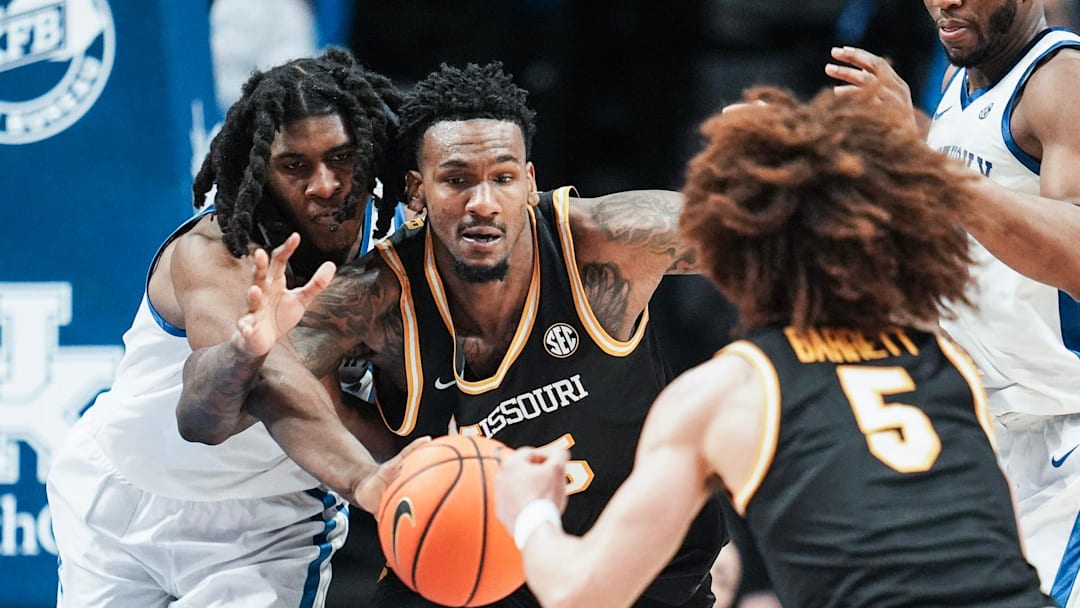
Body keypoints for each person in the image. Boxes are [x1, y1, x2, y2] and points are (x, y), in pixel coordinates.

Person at [176, 61, 728, 607]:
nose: (482, 202)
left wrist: (796, 155)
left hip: (642, 570)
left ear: (530, 183)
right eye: (457, 180)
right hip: (469, 569)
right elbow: (208, 417)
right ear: (416, 191)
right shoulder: (371, 298)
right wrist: (243, 354)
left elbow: (777, 229)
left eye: (503, 178)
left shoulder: (609, 241)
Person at [493, 86, 1054, 608]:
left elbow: (581, 594)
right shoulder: (944, 360)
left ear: (725, 253)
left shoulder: (724, 392)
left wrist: (532, 511)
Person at [45, 48, 415, 607]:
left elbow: (362, 414)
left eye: (343, 158)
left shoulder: (407, 249)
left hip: (266, 531)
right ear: (259, 171)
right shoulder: (217, 253)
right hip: (118, 498)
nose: (325, 184)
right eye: (295, 166)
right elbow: (206, 416)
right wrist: (246, 354)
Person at [824, 2, 1080, 604]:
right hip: (991, 427)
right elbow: (978, 173)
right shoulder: (959, 78)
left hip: (1065, 433)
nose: (945, 1)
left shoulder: (1061, 80)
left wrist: (923, 158)